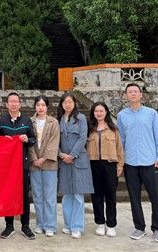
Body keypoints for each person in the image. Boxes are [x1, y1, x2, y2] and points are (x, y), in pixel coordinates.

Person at [117, 83, 158, 243]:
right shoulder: (122, 115)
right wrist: (121, 160)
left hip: (150, 161)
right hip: (130, 162)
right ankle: (139, 227)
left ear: (140, 95)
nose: (132, 94)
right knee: (134, 198)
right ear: (126, 95)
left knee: (155, 197)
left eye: (135, 91)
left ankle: (157, 229)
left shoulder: (151, 113)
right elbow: (121, 140)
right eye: (129, 92)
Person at [0, 92, 37, 240]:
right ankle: (9, 226)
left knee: (24, 196)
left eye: (16, 101)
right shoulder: (1, 121)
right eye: (11, 101)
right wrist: (3, 140)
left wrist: (27, 139)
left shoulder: (26, 120)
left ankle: (25, 226)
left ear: (20, 104)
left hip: (22, 164)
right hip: (6, 166)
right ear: (6, 104)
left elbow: (33, 139)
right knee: (8, 195)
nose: (13, 104)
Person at [57, 92, 94, 239]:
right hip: (64, 161)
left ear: (74, 103)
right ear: (61, 104)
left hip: (78, 160)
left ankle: (77, 226)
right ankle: (68, 224)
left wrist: (72, 155)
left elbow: (83, 138)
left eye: (70, 102)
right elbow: (55, 140)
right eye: (65, 102)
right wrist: (61, 155)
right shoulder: (59, 119)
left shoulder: (81, 118)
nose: (67, 104)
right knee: (67, 194)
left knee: (78, 194)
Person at [87, 102, 124, 238]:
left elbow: (119, 148)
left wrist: (120, 165)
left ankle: (111, 225)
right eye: (96, 111)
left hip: (110, 165)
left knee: (110, 196)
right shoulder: (90, 129)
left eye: (101, 111)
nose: (99, 113)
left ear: (106, 112)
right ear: (93, 113)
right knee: (96, 195)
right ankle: (100, 223)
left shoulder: (113, 129)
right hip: (93, 164)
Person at [29, 96, 60, 237]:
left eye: (43, 105)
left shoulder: (54, 122)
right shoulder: (30, 122)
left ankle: (50, 225)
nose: (40, 108)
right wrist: (34, 158)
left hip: (49, 164)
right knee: (37, 195)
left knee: (50, 196)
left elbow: (54, 142)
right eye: (38, 105)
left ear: (47, 107)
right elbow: (29, 142)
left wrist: (44, 158)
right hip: (35, 164)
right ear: (35, 107)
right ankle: (39, 224)